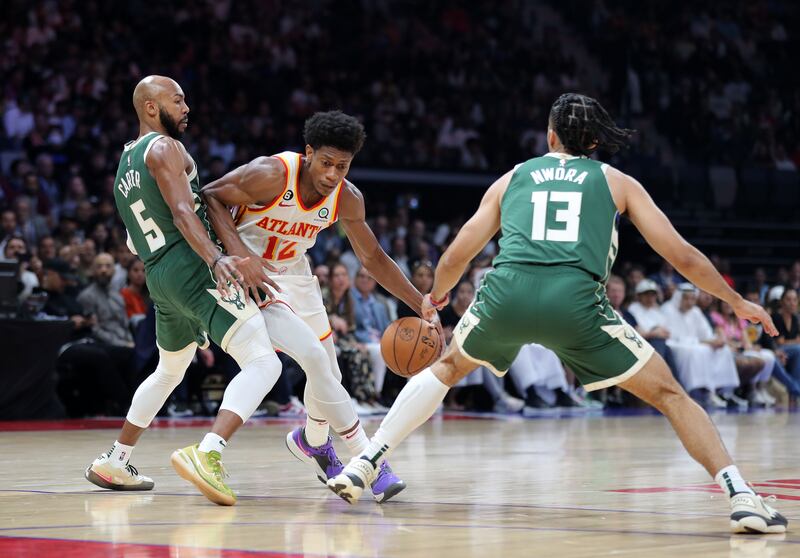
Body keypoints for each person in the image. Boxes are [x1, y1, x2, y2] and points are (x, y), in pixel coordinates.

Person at [326, 93, 787, 534]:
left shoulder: (514, 177)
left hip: (507, 294)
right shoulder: (616, 182)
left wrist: (435, 298)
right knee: (670, 395)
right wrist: (736, 301)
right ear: (593, 142)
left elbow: (455, 256)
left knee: (447, 368)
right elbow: (682, 257)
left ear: (550, 137)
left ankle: (365, 461)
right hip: (576, 303)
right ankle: (741, 495)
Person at [202, 111, 432, 502]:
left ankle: (313, 441)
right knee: (316, 363)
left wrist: (420, 304)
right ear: (308, 153)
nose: (332, 174)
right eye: (326, 163)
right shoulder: (271, 174)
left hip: (295, 274)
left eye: (342, 166)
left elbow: (374, 259)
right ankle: (368, 458)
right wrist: (240, 255)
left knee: (328, 367)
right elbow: (210, 195)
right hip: (246, 272)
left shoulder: (347, 198)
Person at [84, 76, 283, 507]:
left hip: (158, 275)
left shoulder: (123, 168)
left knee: (168, 372)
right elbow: (180, 211)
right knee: (264, 363)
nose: (186, 106)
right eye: (178, 100)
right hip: (191, 266)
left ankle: (116, 459)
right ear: (152, 108)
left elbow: (133, 242)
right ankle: (208, 452)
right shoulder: (165, 147)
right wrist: (216, 258)